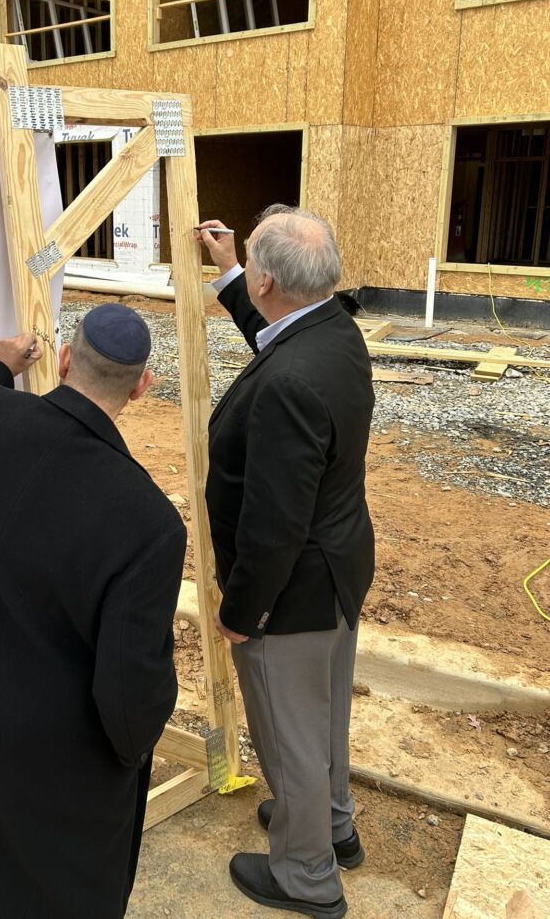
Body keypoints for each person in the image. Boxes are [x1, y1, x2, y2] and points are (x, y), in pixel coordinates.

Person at [0, 304, 186, 919]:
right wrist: (135, 749)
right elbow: (130, 693)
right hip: (54, 779)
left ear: (61, 360)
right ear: (141, 388)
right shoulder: (148, 520)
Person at [197, 207, 375, 918]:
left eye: (253, 276)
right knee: (320, 720)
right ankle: (332, 827)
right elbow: (278, 339)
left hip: (290, 590)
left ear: (272, 279)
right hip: (336, 571)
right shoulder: (334, 329)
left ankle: (307, 874)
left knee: (289, 735)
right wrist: (230, 272)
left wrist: (243, 613)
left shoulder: (289, 385)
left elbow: (273, 525)